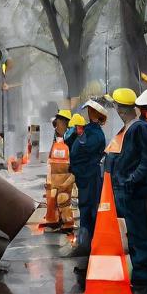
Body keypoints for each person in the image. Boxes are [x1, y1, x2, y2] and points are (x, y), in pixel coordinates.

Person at [62, 101, 107, 258]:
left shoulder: (97, 134)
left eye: (90, 110)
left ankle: (89, 245)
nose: (88, 113)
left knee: (89, 209)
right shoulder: (87, 129)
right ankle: (85, 243)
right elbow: (69, 142)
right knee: (84, 207)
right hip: (83, 176)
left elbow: (85, 147)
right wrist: (75, 132)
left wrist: (80, 136)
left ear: (96, 114)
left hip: (91, 176)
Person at [117, 89, 147, 294]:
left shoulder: (140, 128)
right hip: (136, 189)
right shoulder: (141, 128)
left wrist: (131, 179)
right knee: (138, 232)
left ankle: (143, 278)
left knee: (139, 233)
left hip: (136, 191)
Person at [47, 108, 75, 231]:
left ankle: (67, 223)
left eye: (59, 121)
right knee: (54, 197)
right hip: (55, 176)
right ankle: (57, 220)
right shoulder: (58, 136)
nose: (56, 125)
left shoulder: (71, 138)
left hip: (66, 175)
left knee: (63, 199)